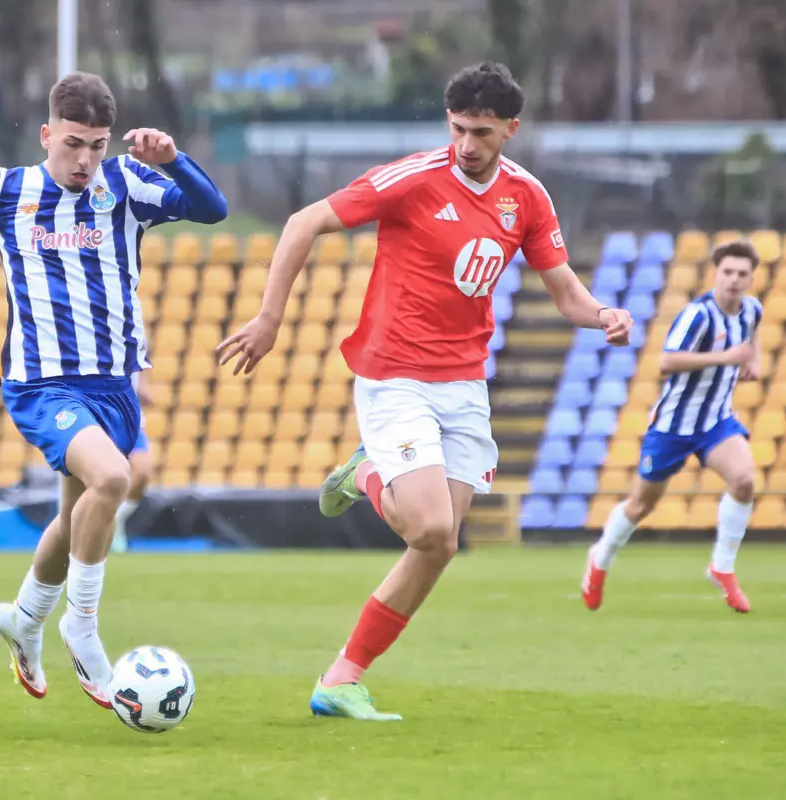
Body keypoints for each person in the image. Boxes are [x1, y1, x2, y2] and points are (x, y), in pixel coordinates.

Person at [218, 61, 632, 720]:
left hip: (464, 383)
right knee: (431, 525)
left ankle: (340, 679)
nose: (467, 144)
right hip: (395, 375)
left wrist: (603, 314)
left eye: (482, 132)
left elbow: (564, 292)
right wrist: (270, 317)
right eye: (458, 128)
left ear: (510, 129)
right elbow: (302, 222)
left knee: (439, 545)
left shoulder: (526, 196)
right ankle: (369, 474)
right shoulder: (412, 179)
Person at [0, 72, 227, 708]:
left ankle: (24, 619)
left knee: (72, 523)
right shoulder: (5, 190)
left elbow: (212, 209)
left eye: (96, 145)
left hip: (114, 385)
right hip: (42, 383)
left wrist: (173, 160)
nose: (85, 160)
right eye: (73, 144)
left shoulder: (126, 183)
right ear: (46, 135)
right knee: (115, 479)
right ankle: (81, 624)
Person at [583, 240, 762, 614]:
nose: (733, 279)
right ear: (715, 274)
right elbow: (666, 361)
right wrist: (726, 358)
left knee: (745, 480)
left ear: (750, 278)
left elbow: (752, 336)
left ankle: (722, 566)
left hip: (715, 421)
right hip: (673, 426)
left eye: (741, 274)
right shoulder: (698, 315)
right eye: (727, 272)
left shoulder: (752, 310)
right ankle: (600, 557)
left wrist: (752, 361)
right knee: (641, 505)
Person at [112, 367, 157, 553]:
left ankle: (113, 520)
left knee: (143, 472)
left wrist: (143, 386)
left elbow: (143, 358)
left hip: (131, 419)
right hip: (99, 415)